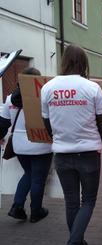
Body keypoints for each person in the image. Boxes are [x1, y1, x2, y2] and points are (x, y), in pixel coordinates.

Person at [41, 45, 102, 245]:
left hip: (62, 155)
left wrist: (59, 139)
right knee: (88, 201)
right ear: (84, 63)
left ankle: (78, 242)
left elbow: (47, 123)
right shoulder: (92, 88)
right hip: (88, 155)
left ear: (64, 62)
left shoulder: (47, 88)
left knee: (71, 201)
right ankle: (74, 244)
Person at [0, 67, 53, 223]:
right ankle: (36, 211)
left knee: (29, 174)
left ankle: (17, 207)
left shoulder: (10, 98)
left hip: (19, 144)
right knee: (38, 178)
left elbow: (3, 123)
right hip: (41, 142)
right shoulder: (43, 96)